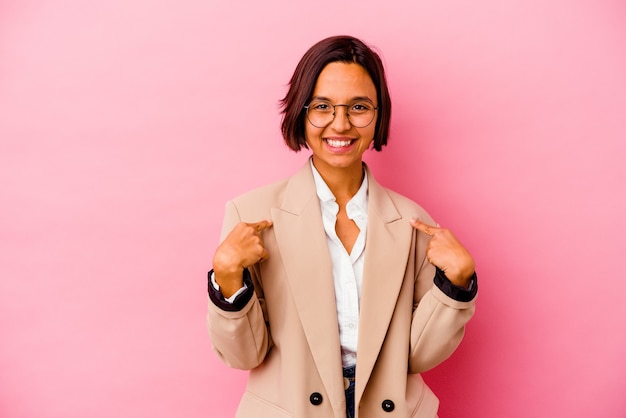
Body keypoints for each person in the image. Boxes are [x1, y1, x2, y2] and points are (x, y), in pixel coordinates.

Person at [206, 35, 477, 418]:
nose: (341, 123)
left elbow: (416, 357)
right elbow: (243, 355)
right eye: (322, 106)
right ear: (300, 112)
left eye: (359, 107)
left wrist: (457, 285)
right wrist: (228, 277)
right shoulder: (250, 214)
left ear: (378, 115)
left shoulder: (414, 222)